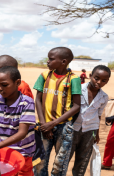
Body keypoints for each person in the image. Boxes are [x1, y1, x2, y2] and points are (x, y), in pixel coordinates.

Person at [33, 47, 81, 176]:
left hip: (64, 127)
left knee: (60, 163)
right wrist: (44, 124)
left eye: (51, 59)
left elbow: (76, 106)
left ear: (64, 61)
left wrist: (52, 124)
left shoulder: (74, 79)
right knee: (40, 162)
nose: (47, 61)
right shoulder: (44, 75)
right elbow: (37, 99)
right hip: (44, 125)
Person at [0, 66, 36, 175]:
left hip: (23, 152)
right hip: (4, 152)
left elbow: (22, 133)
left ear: (17, 83)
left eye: (4, 85)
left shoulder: (27, 103)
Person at [69, 65, 110, 176]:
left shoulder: (104, 97)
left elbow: (98, 115)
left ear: (107, 82)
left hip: (89, 130)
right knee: (65, 157)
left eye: (103, 80)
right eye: (96, 78)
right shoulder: (78, 89)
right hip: (72, 128)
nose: (99, 82)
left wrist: (96, 134)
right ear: (90, 76)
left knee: (83, 159)